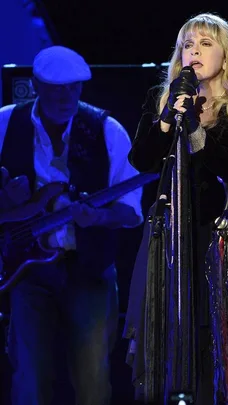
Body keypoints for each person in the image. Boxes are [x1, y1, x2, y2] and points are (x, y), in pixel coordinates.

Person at [124, 12, 228, 405]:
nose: (194, 51)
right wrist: (171, 116)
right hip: (172, 244)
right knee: (173, 343)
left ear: (226, 55)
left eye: (205, 43)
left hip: (225, 247)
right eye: (187, 45)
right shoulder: (166, 107)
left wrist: (197, 131)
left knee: (224, 351)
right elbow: (141, 159)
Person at [0, 45, 143, 405]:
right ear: (36, 84)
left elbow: (130, 211)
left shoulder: (107, 130)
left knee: (93, 379)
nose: (65, 96)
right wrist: (7, 200)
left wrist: (99, 217)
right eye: (55, 87)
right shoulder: (4, 123)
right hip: (25, 272)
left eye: (73, 87)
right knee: (28, 379)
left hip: (90, 269)